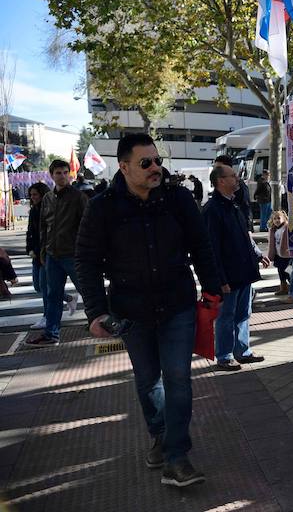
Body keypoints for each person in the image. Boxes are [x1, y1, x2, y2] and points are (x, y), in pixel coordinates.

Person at [76, 133, 221, 488]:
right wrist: (96, 311)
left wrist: (214, 288)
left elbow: (201, 244)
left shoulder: (178, 198)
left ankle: (176, 456)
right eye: (146, 163)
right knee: (147, 381)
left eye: (157, 160)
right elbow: (87, 262)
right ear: (123, 167)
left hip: (178, 306)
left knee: (178, 379)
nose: (156, 168)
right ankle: (159, 435)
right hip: (130, 312)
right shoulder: (102, 207)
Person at [203, 164, 268, 371]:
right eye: (232, 176)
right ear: (220, 181)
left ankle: (243, 351)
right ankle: (224, 355)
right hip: (229, 276)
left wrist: (257, 255)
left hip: (243, 272)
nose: (237, 179)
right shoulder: (213, 210)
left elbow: (244, 237)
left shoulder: (234, 205)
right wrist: (220, 280)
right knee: (226, 316)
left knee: (243, 314)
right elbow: (212, 248)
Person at [25, 160, 88, 347]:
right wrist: (43, 250)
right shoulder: (47, 198)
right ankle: (51, 334)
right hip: (52, 254)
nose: (62, 176)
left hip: (73, 254)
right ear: (51, 175)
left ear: (69, 174)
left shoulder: (78, 197)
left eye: (65, 172)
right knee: (52, 295)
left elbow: (88, 225)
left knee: (89, 291)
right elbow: (44, 226)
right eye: (58, 173)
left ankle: (104, 323)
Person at [25, 182, 51, 329]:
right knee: (38, 286)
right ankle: (67, 298)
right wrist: (29, 248)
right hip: (36, 253)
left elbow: (45, 233)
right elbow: (31, 232)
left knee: (44, 285)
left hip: (46, 253)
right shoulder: (34, 210)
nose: (33, 197)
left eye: (35, 194)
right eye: (31, 195)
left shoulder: (46, 209)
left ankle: (47, 317)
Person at [213, 155, 252, 231]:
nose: (215, 171)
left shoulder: (238, 187)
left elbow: (245, 208)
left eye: (218, 168)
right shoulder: (212, 205)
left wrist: (247, 228)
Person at [267, 210, 291, 295]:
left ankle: (292, 283)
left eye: (279, 218)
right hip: (278, 254)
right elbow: (271, 244)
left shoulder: (286, 227)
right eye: (274, 219)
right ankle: (283, 288)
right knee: (280, 272)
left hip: (286, 255)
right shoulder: (273, 230)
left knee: (285, 271)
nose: (277, 220)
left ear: (284, 218)